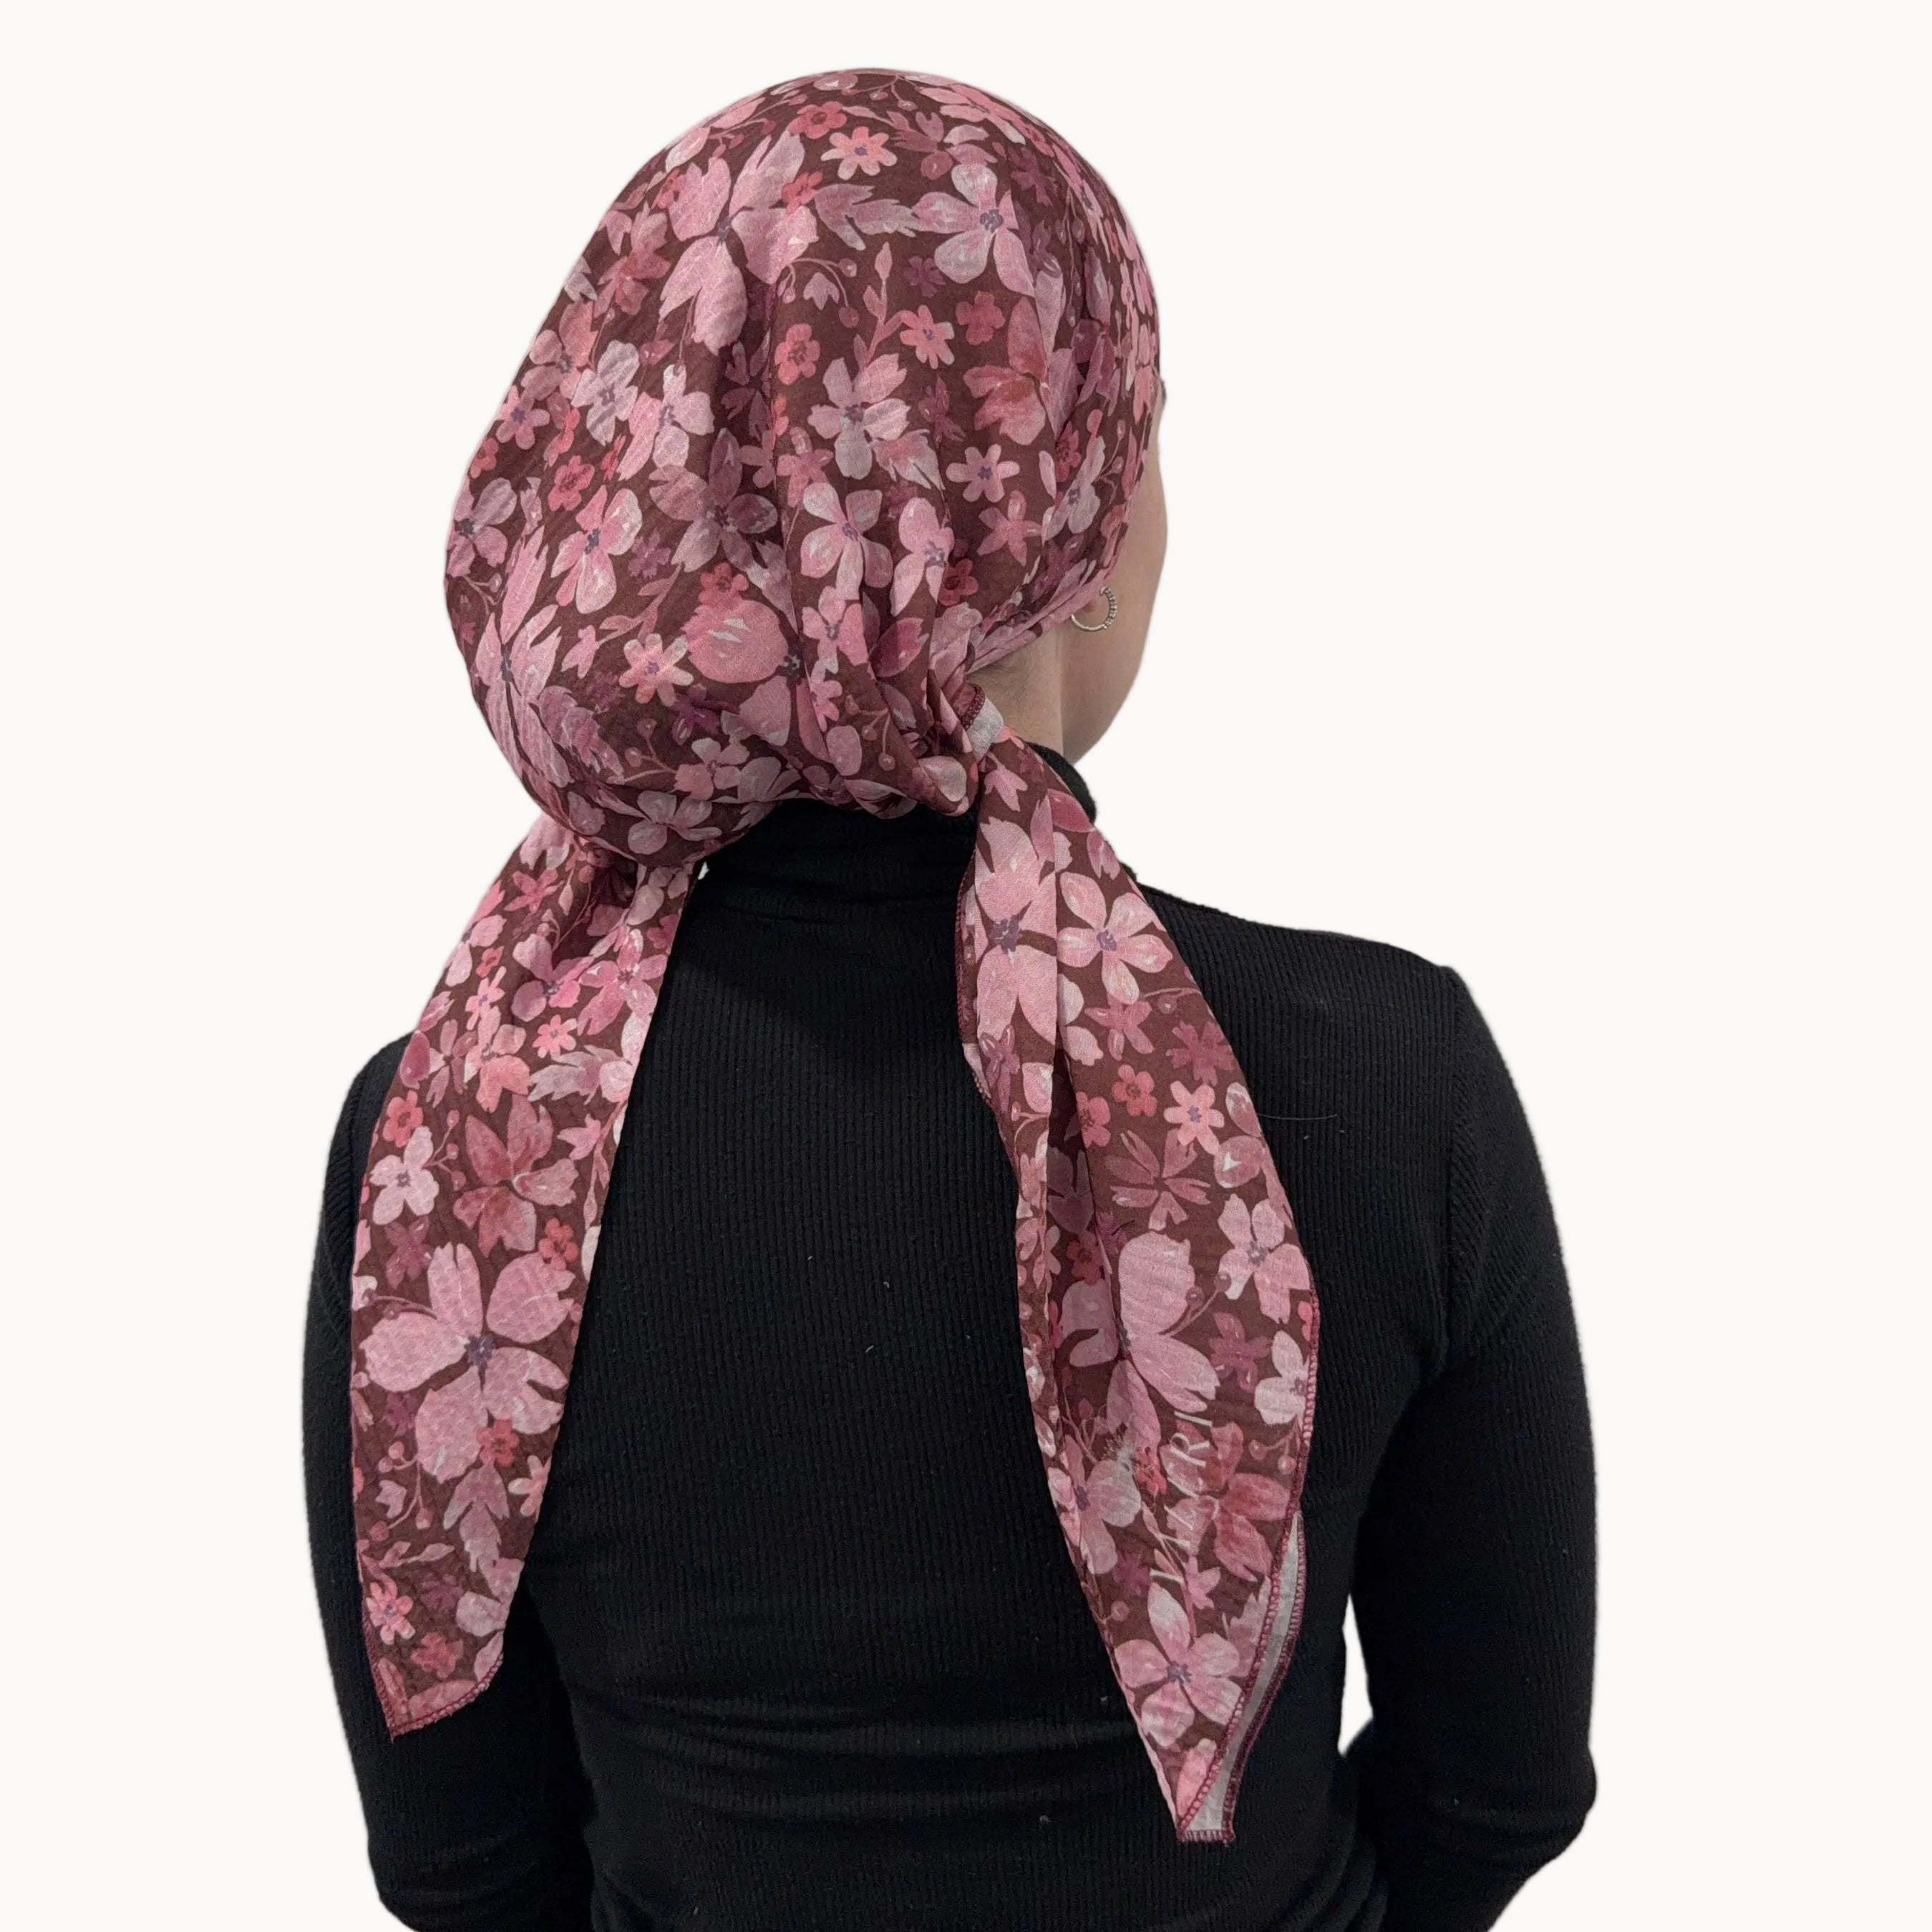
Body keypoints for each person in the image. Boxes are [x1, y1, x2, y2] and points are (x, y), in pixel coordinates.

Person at [304, 67, 1596, 1932]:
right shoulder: (1385, 1075)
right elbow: (1499, 1782)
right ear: (1063, 528)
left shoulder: (451, 1132)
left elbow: (459, 1857)